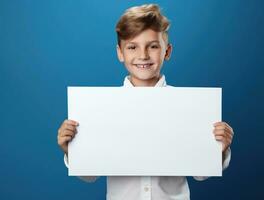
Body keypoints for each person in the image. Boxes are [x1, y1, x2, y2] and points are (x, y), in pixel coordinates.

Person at [57, 4, 234, 200]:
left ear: (167, 51)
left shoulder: (187, 107)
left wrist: (219, 148)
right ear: (120, 52)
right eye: (132, 47)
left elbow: (200, 173)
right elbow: (90, 175)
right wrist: (71, 149)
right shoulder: (102, 108)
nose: (143, 55)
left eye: (153, 46)